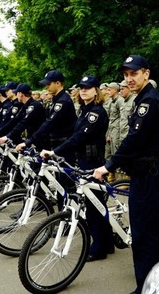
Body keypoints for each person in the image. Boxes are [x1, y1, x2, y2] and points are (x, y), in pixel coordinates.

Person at [92, 55, 159, 294]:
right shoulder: (140, 98)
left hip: (147, 174)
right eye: (125, 75)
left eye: (133, 73)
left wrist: (109, 165)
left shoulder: (149, 101)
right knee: (150, 231)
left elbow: (135, 139)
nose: (129, 79)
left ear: (146, 73)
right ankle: (154, 282)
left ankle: (145, 286)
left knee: (144, 233)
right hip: (142, 173)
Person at [41, 76, 113, 262]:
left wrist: (54, 151)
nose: (83, 90)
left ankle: (99, 247)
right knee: (96, 204)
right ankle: (107, 242)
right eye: (81, 87)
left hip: (92, 162)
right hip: (84, 160)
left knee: (93, 206)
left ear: (96, 90)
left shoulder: (96, 112)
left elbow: (78, 137)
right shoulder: (84, 110)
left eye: (88, 88)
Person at [105, 82, 124, 180]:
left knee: (117, 152)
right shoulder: (112, 101)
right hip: (111, 130)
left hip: (117, 130)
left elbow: (123, 118)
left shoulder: (120, 101)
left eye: (109, 89)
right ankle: (112, 174)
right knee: (110, 152)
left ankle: (121, 178)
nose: (107, 91)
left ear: (115, 90)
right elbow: (110, 118)